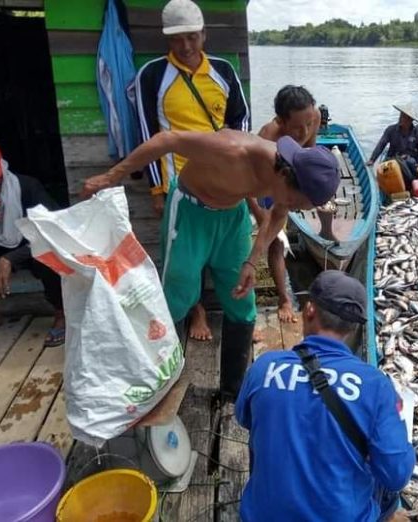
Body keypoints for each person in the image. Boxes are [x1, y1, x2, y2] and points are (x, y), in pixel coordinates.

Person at [80, 129, 340, 398]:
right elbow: (167, 140)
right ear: (285, 175)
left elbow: (276, 216)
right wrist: (109, 177)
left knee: (241, 300)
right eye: (296, 202)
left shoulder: (290, 180)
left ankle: (231, 392)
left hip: (232, 219)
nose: (293, 208)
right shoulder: (231, 149)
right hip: (191, 212)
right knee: (178, 293)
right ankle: (165, 381)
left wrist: (252, 262)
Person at [235, 270, 415, 521]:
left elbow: (243, 418)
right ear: (354, 327)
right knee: (386, 485)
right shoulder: (376, 386)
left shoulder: (264, 367)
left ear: (308, 310)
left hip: (260, 516)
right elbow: (396, 475)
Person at [134, 0, 251, 341]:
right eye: (176, 39)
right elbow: (146, 132)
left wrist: (239, 175)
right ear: (166, 40)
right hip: (179, 189)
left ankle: (239, 327)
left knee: (231, 262)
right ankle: (194, 315)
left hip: (223, 185)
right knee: (182, 269)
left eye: (191, 37)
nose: (185, 46)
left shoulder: (224, 71)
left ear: (204, 35)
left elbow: (240, 123)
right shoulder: (153, 75)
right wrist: (157, 188)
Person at [0, 141, 65, 346]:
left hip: (29, 249)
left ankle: (62, 313)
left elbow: (51, 230)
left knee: (49, 255)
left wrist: (9, 259)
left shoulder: (26, 188)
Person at [255, 85, 321, 323]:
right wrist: (261, 216)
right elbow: (249, 189)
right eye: (296, 128)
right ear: (280, 122)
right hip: (265, 184)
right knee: (272, 242)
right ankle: (284, 299)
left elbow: (309, 154)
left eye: (309, 123)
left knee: (276, 234)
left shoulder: (315, 117)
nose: (304, 131)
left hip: (289, 178)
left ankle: (284, 297)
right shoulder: (266, 138)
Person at [367, 104, 418, 188]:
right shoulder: (391, 130)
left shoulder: (417, 134)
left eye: (404, 117)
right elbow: (381, 144)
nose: (401, 119)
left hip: (409, 161)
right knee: (396, 165)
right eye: (401, 116)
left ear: (410, 120)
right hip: (392, 159)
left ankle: (412, 184)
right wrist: (372, 159)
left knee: (411, 163)